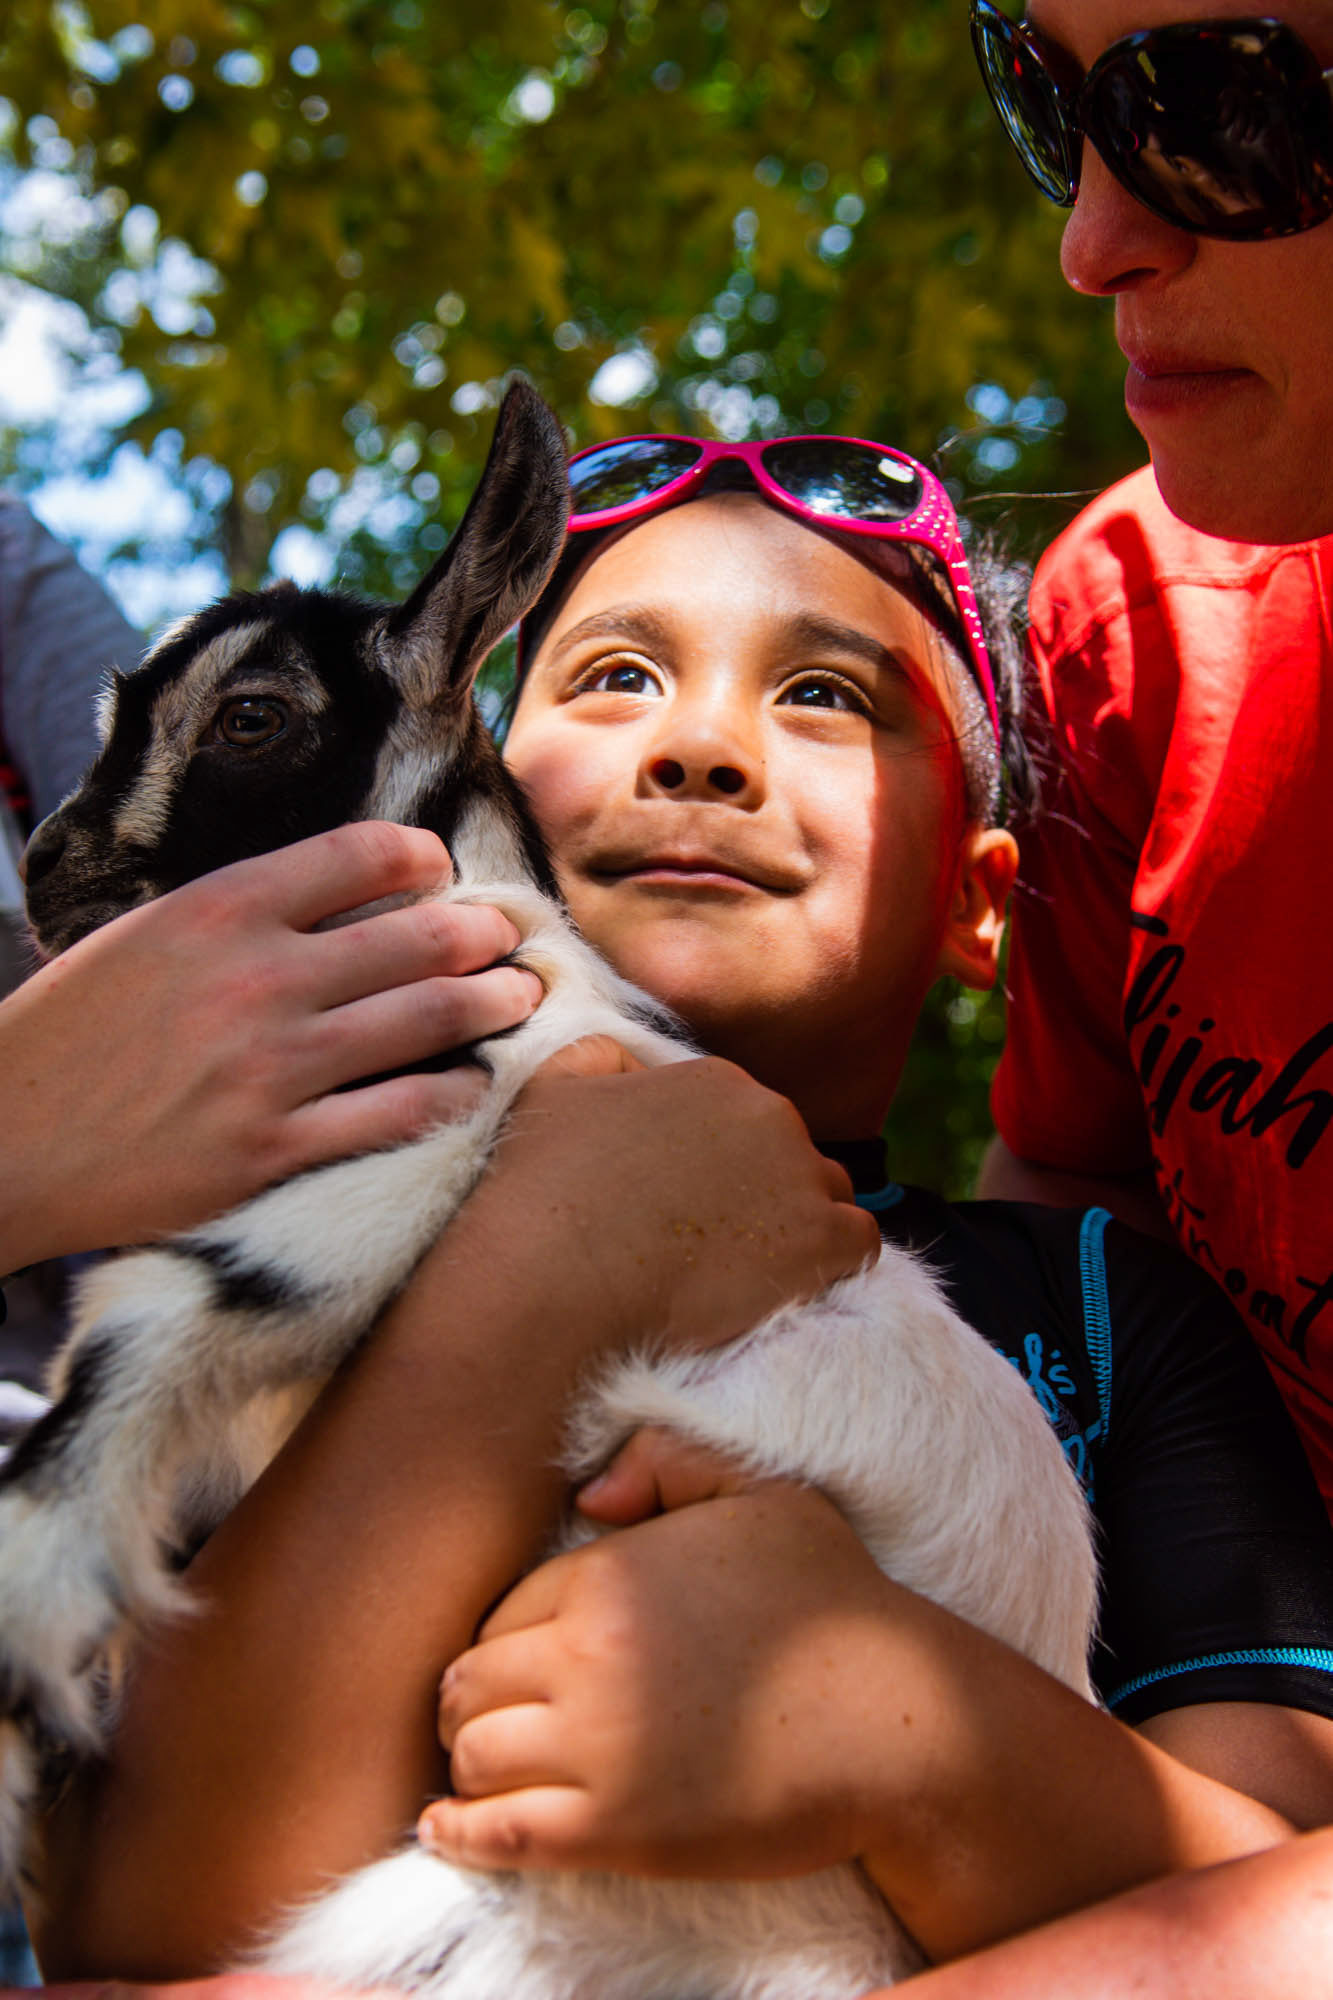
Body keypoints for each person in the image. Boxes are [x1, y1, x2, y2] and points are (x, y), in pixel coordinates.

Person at [33, 435, 1333, 1988]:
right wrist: (549, 1260)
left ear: (985, 904)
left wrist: (921, 1735)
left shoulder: (1106, 1302)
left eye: (824, 696)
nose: (701, 749)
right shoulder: (275, 1255)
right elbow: (141, 1921)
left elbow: (1280, 1877)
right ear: (476, 783)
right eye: (612, 681)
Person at [963, 0, 1333, 1990]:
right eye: (1046, 103)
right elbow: (1060, 1201)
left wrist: (927, 1784)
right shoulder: (1129, 625)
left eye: (1209, 115)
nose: (1089, 237)